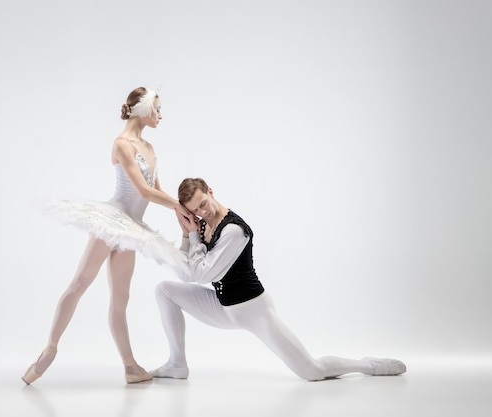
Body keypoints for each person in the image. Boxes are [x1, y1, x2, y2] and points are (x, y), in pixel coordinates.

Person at [152, 177, 406, 381]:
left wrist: (194, 237)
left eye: (203, 204)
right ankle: (177, 364)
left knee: (312, 371)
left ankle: (367, 365)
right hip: (222, 307)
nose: (202, 212)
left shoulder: (234, 230)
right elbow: (186, 275)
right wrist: (187, 234)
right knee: (164, 290)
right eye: (195, 211)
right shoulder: (202, 226)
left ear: (210, 190)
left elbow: (201, 274)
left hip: (252, 309)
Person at [22, 87, 190, 385]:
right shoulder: (122, 144)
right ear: (144, 110)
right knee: (79, 283)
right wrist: (177, 205)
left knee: (120, 299)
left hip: (131, 230)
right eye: (158, 110)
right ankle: (50, 348)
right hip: (113, 221)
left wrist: (179, 212)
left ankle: (129, 366)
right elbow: (142, 190)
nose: (161, 116)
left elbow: (156, 191)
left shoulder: (150, 148)